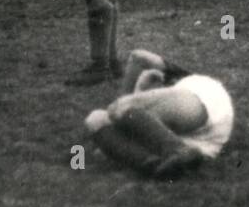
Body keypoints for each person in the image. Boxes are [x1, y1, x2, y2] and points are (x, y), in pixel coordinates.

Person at [83, 50, 235, 179]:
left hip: (200, 101)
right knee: (95, 119)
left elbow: (139, 57)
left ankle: (178, 151)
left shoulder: (189, 80)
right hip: (194, 140)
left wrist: (129, 98)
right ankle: (158, 166)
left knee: (119, 109)